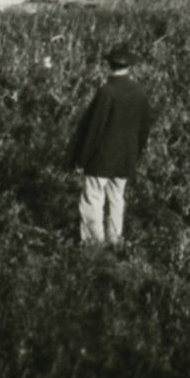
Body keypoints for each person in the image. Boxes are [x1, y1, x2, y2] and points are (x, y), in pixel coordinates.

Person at [68, 48, 156, 247]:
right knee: (117, 199)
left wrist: (81, 158)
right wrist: (136, 154)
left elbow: (94, 129)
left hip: (101, 157)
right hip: (126, 157)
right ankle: (115, 241)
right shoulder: (140, 92)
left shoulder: (106, 91)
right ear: (129, 66)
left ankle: (94, 244)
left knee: (93, 199)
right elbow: (144, 129)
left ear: (109, 65)